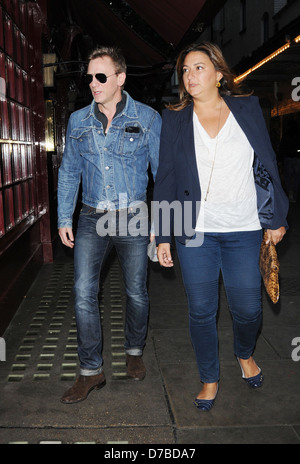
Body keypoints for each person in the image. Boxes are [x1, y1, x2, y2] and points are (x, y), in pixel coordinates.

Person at [153, 42, 288, 411]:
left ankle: (244, 353)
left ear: (218, 73)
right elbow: (165, 177)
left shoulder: (247, 108)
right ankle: (209, 377)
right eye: (185, 70)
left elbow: (267, 163)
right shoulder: (175, 118)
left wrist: (276, 217)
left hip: (244, 228)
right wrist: (163, 234)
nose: (190, 76)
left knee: (248, 309)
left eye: (198, 67)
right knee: (201, 310)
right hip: (195, 231)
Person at [57, 46, 161, 404]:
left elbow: (162, 176)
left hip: (134, 216)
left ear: (120, 78)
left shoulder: (147, 118)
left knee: (136, 293)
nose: (93, 83)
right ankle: (91, 371)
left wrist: (160, 227)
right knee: (83, 292)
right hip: (91, 216)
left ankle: (134, 350)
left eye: (101, 76)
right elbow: (69, 171)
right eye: (89, 77)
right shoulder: (77, 121)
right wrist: (63, 217)